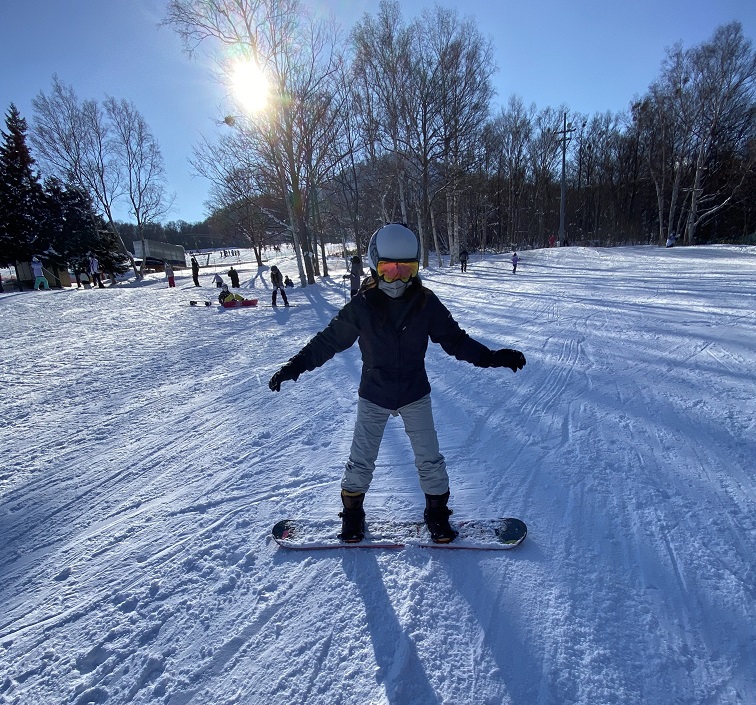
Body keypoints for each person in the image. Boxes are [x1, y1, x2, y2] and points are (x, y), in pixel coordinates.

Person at [268, 223, 526, 544]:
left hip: (414, 393)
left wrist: (492, 357)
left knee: (430, 460)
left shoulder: (425, 303)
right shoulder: (362, 306)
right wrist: (294, 366)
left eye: (406, 269)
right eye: (389, 270)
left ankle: (436, 515)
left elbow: (455, 341)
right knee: (360, 461)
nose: (398, 278)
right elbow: (327, 342)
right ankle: (352, 516)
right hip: (374, 395)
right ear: (376, 266)